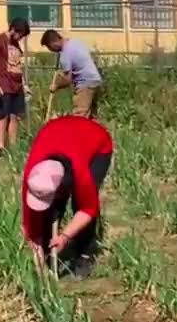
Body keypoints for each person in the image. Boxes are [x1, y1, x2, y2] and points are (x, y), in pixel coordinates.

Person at [21, 115, 115, 279]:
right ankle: (50, 252)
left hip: (96, 142)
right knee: (50, 210)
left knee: (80, 202)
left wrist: (65, 236)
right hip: (58, 133)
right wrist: (40, 267)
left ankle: (85, 254)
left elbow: (89, 209)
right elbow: (31, 228)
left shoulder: (80, 172)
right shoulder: (33, 177)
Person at [0, 17, 31, 155]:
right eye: (20, 34)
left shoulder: (17, 44)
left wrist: (24, 84)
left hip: (16, 85)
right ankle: (0, 147)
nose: (20, 38)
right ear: (13, 30)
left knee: (14, 116)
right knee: (2, 115)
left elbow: (18, 65)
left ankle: (13, 147)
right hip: (3, 83)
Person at [40, 30, 103, 118]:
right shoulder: (76, 43)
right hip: (95, 79)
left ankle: (77, 132)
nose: (52, 50)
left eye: (50, 47)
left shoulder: (65, 54)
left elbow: (68, 80)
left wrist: (56, 86)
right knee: (91, 116)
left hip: (84, 83)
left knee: (79, 115)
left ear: (53, 43)